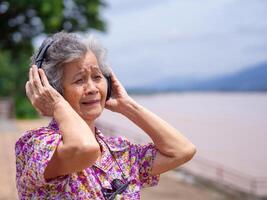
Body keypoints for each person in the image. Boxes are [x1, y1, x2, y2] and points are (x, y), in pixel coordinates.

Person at [15, 32, 196, 199]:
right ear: (54, 90)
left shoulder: (119, 153)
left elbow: (181, 151)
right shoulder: (36, 146)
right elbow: (85, 149)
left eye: (97, 77)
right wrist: (57, 105)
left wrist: (127, 106)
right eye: (79, 80)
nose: (92, 89)